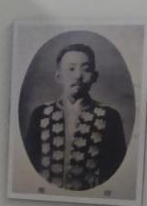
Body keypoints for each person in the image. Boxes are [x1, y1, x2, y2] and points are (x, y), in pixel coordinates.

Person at [23, 42, 128, 192]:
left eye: (85, 69)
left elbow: (115, 169)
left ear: (94, 76)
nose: (78, 75)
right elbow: (29, 165)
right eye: (71, 69)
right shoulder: (40, 114)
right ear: (58, 76)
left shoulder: (110, 117)